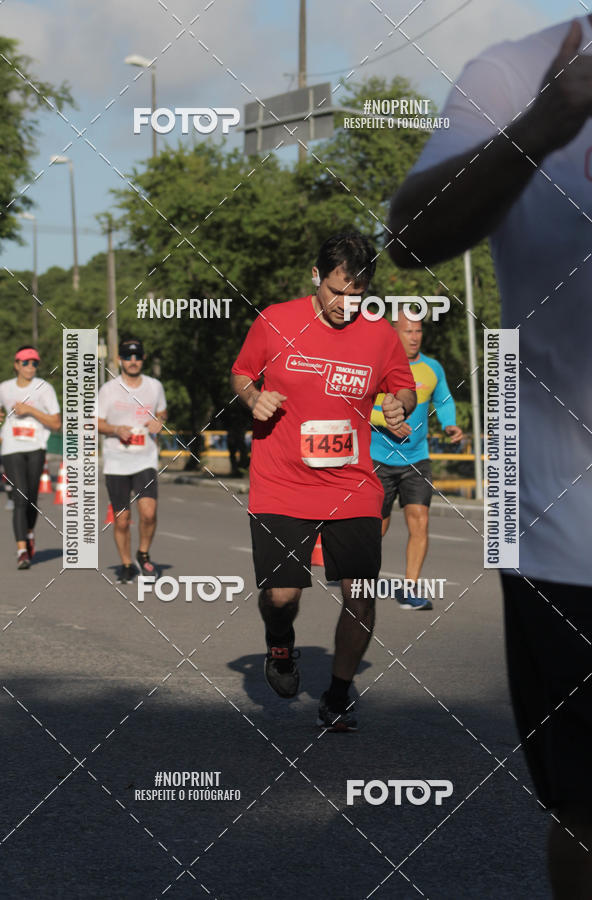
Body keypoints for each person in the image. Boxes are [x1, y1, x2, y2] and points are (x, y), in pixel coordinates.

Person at [387, 14, 592, 897]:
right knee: (587, 814)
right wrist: (542, 128)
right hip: (565, 532)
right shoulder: (519, 73)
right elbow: (410, 233)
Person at [231, 231, 416, 731]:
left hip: (352, 485)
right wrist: (253, 399)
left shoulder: (378, 334)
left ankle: (337, 693)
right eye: (337, 291)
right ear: (316, 278)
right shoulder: (276, 320)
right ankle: (281, 644)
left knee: (359, 590)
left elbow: (401, 383)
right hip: (280, 483)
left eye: (357, 294)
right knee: (281, 596)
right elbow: (243, 373)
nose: (346, 304)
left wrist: (401, 403)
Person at [370, 311, 463, 610]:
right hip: (379, 459)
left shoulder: (431, 368)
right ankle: (363, 581)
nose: (414, 337)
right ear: (394, 332)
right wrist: (385, 421)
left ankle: (410, 588)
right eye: (407, 331)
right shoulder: (378, 365)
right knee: (377, 527)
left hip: (416, 459)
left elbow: (444, 399)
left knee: (420, 521)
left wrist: (449, 423)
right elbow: (359, 406)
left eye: (418, 331)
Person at [98, 337, 167, 584]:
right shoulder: (108, 389)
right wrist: (116, 430)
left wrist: (159, 421)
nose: (133, 361)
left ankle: (143, 552)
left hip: (145, 458)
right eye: (128, 357)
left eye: (137, 356)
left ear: (143, 359)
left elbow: (161, 412)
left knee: (149, 513)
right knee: (122, 519)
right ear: (120, 360)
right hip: (117, 460)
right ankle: (127, 563)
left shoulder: (154, 386)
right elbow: (96, 422)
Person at [0, 346, 60, 569]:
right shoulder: (4, 388)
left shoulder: (44, 388)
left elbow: (56, 423)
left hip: (35, 446)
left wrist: (30, 411)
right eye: (26, 363)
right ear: (16, 365)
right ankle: (22, 550)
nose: (30, 367)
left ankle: (29, 534)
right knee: (20, 497)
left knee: (31, 498)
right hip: (11, 447)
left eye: (34, 363)